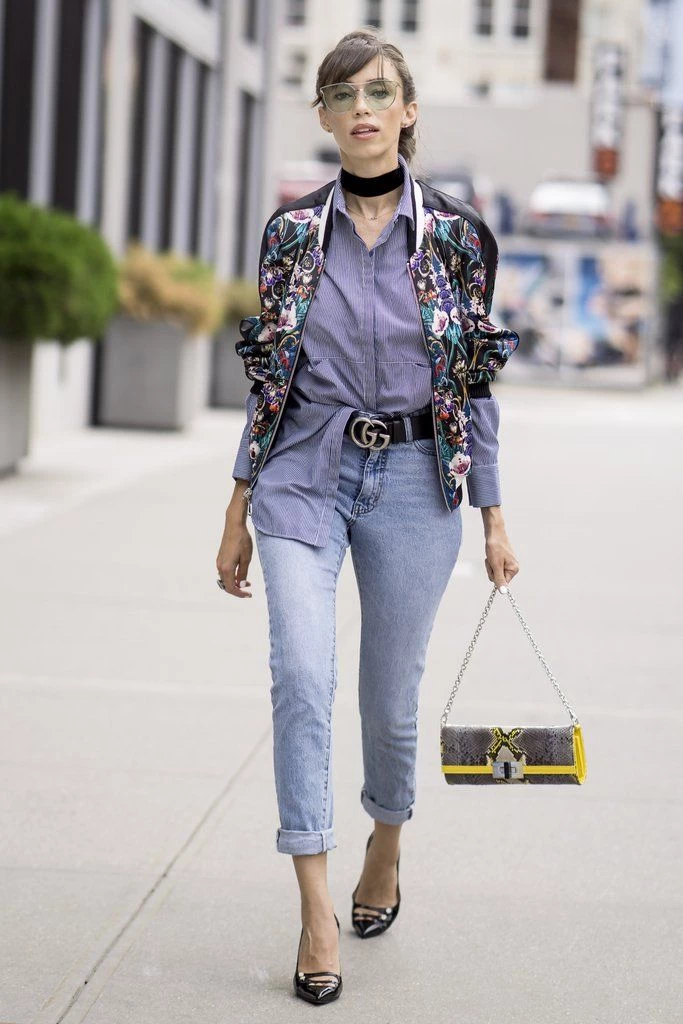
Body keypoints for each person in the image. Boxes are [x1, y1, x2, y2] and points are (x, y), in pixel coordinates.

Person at [216, 29, 521, 1005]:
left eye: (378, 90)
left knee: (389, 705)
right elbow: (267, 385)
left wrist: (493, 515)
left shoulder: (459, 239)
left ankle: (385, 841)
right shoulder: (290, 236)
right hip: (302, 474)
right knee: (300, 677)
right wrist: (234, 506)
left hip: (414, 482)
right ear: (322, 116)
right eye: (340, 92)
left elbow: (472, 384)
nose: (360, 106)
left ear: (407, 110)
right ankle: (312, 909)